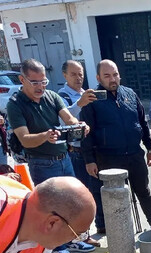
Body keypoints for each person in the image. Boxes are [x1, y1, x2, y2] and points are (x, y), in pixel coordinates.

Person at [7, 59, 95, 253]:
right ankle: (57, 246)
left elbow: (68, 119)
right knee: (51, 208)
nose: (40, 87)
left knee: (72, 202)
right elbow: (24, 139)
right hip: (41, 162)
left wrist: (79, 125)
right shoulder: (15, 104)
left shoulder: (52, 96)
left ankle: (72, 239)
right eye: (34, 82)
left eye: (43, 82)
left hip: (64, 158)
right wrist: (45, 136)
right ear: (22, 80)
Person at [81, 60, 151, 229]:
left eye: (115, 74)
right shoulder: (92, 99)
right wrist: (89, 159)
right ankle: (121, 236)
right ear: (98, 77)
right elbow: (85, 132)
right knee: (116, 199)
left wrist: (149, 148)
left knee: (144, 192)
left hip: (134, 155)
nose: (113, 79)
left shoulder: (130, 93)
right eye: (107, 76)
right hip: (108, 158)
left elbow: (142, 122)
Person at [58, 60, 104, 242]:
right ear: (65, 75)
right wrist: (80, 103)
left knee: (96, 193)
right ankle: (81, 236)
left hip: (92, 149)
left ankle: (97, 227)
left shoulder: (87, 93)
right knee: (80, 197)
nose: (78, 78)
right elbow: (63, 120)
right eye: (74, 74)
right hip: (76, 152)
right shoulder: (62, 96)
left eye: (81, 74)